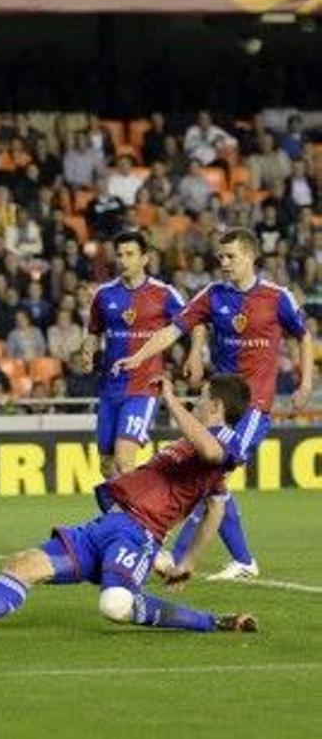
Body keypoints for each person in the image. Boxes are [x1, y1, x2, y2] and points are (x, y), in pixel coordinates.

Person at [0, 375, 259, 639]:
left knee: (115, 606)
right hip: (106, 526)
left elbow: (212, 459)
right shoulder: (198, 449)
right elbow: (216, 508)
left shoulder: (224, 441)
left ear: (216, 407)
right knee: (23, 564)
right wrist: (186, 563)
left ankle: (211, 621)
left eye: (202, 398)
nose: (195, 401)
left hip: (137, 535)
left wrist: (170, 399)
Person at [116, 228, 312, 581]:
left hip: (253, 406)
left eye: (230, 257)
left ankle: (177, 561)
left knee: (210, 476)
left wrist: (306, 381)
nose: (223, 263)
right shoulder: (212, 295)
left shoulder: (276, 296)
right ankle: (241, 561)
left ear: (251, 256)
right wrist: (139, 356)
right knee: (212, 480)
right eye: (220, 257)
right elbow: (173, 330)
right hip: (216, 408)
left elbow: (304, 335)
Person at [80, 231, 184, 477]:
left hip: (143, 387)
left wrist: (192, 357)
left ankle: (134, 516)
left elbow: (191, 323)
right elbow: (94, 332)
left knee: (124, 459)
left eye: (130, 254)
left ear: (145, 258)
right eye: (119, 255)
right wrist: (88, 351)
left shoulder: (165, 293)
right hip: (110, 387)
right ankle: (118, 513)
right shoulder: (104, 295)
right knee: (107, 465)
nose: (123, 260)